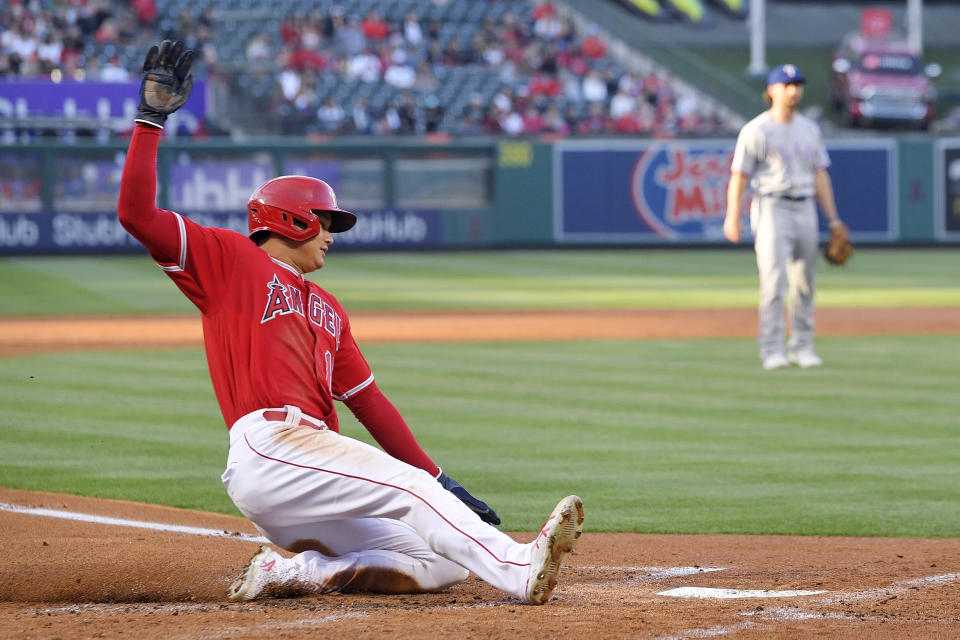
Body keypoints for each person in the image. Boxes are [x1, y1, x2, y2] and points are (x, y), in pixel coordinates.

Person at [118, 41, 582, 604]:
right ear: (291, 220)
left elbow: (370, 404)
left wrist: (443, 481)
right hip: (271, 446)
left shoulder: (329, 308)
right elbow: (137, 215)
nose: (332, 235)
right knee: (406, 487)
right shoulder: (231, 261)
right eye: (325, 222)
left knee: (438, 562)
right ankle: (518, 568)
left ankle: (293, 573)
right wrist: (151, 119)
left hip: (311, 470)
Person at [724, 64, 848, 370]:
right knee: (774, 282)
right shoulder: (756, 130)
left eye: (797, 84)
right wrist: (732, 216)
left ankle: (802, 347)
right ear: (772, 91)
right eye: (787, 84)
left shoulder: (810, 128)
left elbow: (821, 176)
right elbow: (739, 176)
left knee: (805, 283)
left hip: (805, 205)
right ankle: (772, 349)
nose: (794, 90)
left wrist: (833, 219)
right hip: (771, 206)